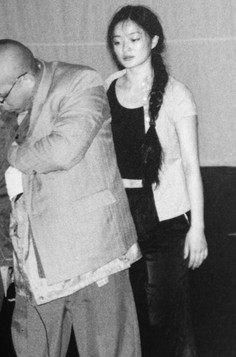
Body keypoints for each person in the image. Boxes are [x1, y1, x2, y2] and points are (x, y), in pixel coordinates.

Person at [0, 38, 142, 357]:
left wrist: (9, 155)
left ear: (25, 79)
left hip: (88, 254)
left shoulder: (79, 83)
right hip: (29, 257)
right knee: (33, 349)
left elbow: (63, 149)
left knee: (109, 351)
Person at [105, 5, 208, 357]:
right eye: (117, 42)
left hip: (165, 217)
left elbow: (192, 166)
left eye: (134, 39)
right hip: (120, 216)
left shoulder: (177, 94)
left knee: (169, 317)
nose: (125, 48)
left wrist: (197, 228)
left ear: (154, 40)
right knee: (129, 315)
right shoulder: (107, 89)